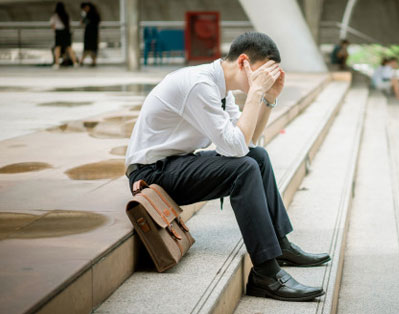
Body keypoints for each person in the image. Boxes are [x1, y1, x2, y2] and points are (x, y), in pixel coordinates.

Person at [125, 32, 330, 302]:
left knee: (257, 157)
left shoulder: (221, 89)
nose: (266, 79)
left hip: (176, 163)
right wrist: (256, 91)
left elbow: (247, 142)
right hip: (151, 173)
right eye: (263, 73)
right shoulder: (199, 85)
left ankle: (279, 246)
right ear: (244, 62)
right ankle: (266, 274)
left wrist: (267, 97)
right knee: (244, 168)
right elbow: (235, 149)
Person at [50, 2, 79, 69]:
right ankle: (75, 62)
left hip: (59, 32)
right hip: (66, 32)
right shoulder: (66, 15)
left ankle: (57, 63)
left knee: (57, 48)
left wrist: (55, 32)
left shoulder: (55, 16)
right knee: (69, 48)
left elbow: (52, 25)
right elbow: (70, 24)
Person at [80, 2, 100, 66]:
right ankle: (82, 60)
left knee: (93, 47)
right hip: (88, 33)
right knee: (87, 47)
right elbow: (82, 22)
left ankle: (93, 61)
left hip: (93, 32)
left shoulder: (94, 14)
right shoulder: (86, 14)